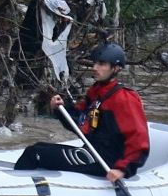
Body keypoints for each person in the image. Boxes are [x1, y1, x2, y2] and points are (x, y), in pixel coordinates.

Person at [14, 42, 149, 182]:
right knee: (38, 147)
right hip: (92, 153)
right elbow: (78, 123)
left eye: (101, 64)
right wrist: (61, 109)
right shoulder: (96, 93)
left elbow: (139, 139)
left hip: (106, 162)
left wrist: (122, 169)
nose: (95, 68)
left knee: (35, 153)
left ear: (115, 69)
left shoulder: (124, 98)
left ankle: (14, 190)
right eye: (95, 63)